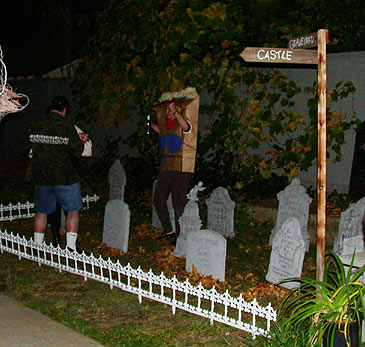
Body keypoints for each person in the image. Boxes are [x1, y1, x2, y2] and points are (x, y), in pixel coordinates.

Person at [22, 96, 87, 251]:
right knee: (72, 210)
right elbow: (77, 150)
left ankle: (37, 245)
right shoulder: (66, 126)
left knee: (41, 212)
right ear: (64, 110)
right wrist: (82, 141)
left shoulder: (35, 124)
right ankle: (71, 247)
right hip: (64, 176)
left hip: (41, 175)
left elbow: (24, 146)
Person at [151, 87, 200, 241]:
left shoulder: (184, 121)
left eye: (169, 110)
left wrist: (176, 112)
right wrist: (152, 126)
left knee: (178, 202)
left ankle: (181, 237)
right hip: (167, 167)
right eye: (165, 110)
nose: (167, 113)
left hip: (181, 169)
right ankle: (168, 231)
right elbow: (165, 134)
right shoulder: (166, 124)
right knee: (158, 198)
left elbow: (186, 128)